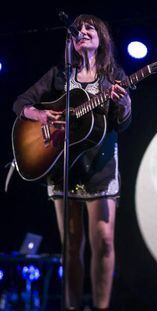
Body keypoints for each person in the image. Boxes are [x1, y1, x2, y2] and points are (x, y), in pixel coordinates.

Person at [12, 14, 132, 311]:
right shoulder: (59, 75)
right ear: (72, 42)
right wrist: (40, 115)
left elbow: (122, 123)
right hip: (63, 166)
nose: (83, 32)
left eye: (90, 27)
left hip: (100, 167)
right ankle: (72, 307)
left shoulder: (114, 75)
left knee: (103, 242)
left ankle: (102, 307)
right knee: (71, 246)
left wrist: (126, 105)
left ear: (101, 36)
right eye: (78, 30)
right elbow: (20, 103)